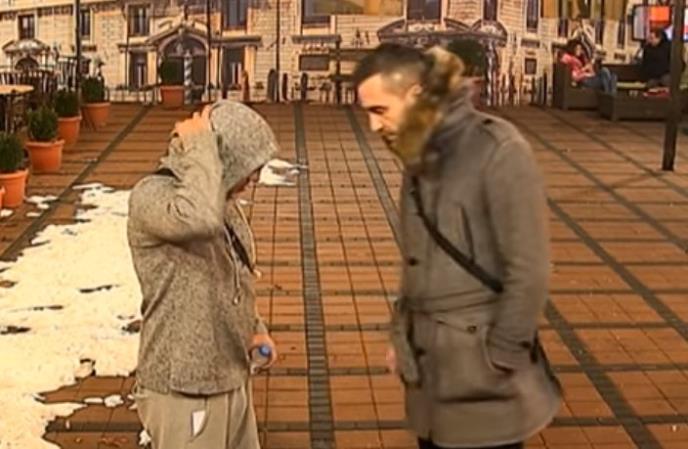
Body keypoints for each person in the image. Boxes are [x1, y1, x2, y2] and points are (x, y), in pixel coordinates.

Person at [353, 43, 562, 449]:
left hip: (484, 380)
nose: (373, 126)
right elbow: (418, 260)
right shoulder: (419, 152)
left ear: (415, 94)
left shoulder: (498, 149)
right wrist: (404, 337)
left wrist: (499, 357)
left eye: (379, 110)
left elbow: (530, 268)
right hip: (432, 372)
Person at [128, 100, 279, 449]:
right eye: (249, 167)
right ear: (221, 157)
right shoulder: (152, 197)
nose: (254, 178)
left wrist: (254, 328)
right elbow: (198, 220)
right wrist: (199, 144)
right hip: (184, 389)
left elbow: (233, 272)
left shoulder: (217, 200)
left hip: (230, 375)